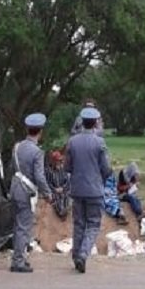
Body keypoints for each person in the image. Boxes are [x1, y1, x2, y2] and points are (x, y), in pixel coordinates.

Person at [65, 106, 112, 274]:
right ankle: (83, 254)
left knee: (78, 223)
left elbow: (67, 167)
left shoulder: (72, 141)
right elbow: (106, 168)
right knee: (93, 224)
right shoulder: (100, 142)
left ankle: (76, 254)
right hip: (94, 190)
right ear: (96, 123)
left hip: (77, 189)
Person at [9, 113, 53, 273]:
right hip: (25, 190)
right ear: (40, 131)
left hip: (15, 187)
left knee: (18, 225)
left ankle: (20, 257)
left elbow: (11, 168)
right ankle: (18, 261)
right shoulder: (37, 152)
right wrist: (48, 193)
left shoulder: (17, 147)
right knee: (23, 226)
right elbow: (39, 177)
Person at [45, 150, 71, 220]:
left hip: (63, 189)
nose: (59, 162)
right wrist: (54, 189)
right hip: (54, 190)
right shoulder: (49, 171)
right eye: (57, 161)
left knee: (66, 195)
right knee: (56, 197)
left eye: (60, 160)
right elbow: (48, 183)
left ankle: (65, 210)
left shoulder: (63, 169)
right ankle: (60, 211)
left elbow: (67, 181)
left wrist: (63, 188)